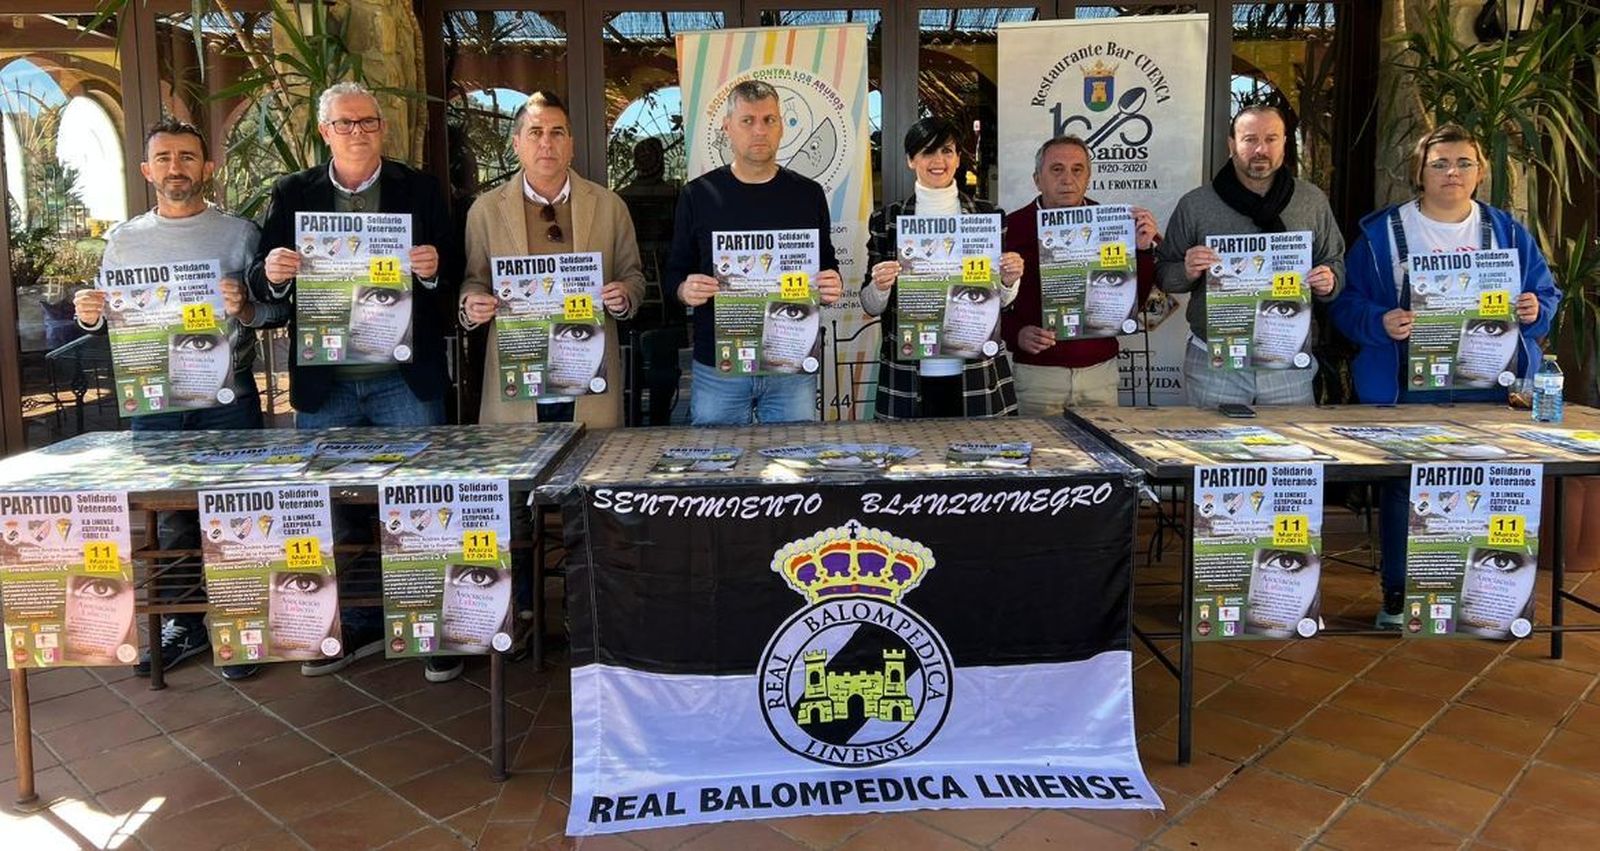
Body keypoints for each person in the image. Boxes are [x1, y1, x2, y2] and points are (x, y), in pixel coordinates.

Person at [247, 81, 461, 682]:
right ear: (325, 132)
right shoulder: (293, 193)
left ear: (382, 128)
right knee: (332, 511)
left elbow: (454, 268)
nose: (358, 131)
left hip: (403, 379)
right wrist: (275, 272)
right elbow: (261, 281)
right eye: (345, 123)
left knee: (423, 501)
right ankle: (356, 623)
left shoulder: (420, 189)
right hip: (327, 383)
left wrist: (433, 269)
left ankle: (430, 625)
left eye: (367, 121)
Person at [74, 118, 280, 682]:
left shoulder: (241, 234)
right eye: (164, 158)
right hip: (156, 403)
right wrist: (90, 314)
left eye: (187, 157)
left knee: (239, 514)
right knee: (170, 522)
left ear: (207, 167)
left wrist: (244, 307)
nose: (175, 168)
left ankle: (241, 628)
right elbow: (111, 320)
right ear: (147, 170)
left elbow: (274, 310)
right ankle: (183, 626)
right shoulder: (123, 240)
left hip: (228, 396)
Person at [1330, 123, 1559, 628]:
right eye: (1439, 164)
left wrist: (1533, 310)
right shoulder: (1383, 233)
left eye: (1463, 163)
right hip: (1408, 386)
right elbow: (1345, 304)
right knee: (1405, 486)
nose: (1452, 173)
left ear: (1480, 172)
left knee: (1495, 484)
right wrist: (1379, 321)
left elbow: (1546, 295)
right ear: (1420, 171)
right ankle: (1399, 596)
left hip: (1492, 385)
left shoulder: (1507, 232)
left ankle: (1490, 598)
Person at [459, 91, 645, 427]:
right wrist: (472, 303)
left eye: (557, 132)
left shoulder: (610, 206)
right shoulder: (485, 211)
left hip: (589, 384)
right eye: (535, 132)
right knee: (521, 462)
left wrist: (624, 296)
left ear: (571, 144)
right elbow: (475, 280)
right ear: (517, 144)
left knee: (593, 461)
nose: (546, 143)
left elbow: (633, 277)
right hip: (518, 384)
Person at [666, 79, 845, 425]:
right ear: (727, 127)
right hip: (720, 364)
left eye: (769, 120)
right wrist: (684, 289)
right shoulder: (698, 195)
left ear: (781, 127)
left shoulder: (808, 194)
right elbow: (675, 272)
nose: (759, 130)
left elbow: (826, 264)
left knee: (794, 455)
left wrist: (831, 284)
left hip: (790, 362)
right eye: (747, 120)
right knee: (717, 457)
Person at [1154, 102, 1345, 407]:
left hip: (1288, 361)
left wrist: (1329, 281)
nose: (1261, 150)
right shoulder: (1196, 205)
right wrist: (1187, 270)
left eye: (1271, 139)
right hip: (1216, 362)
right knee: (1214, 440)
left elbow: (1334, 261)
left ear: (1284, 143)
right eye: (1250, 139)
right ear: (1232, 144)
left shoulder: (1311, 201)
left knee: (1291, 440)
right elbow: (1164, 273)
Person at [862, 117, 1025, 419]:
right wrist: (880, 286)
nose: (938, 161)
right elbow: (870, 305)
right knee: (912, 451)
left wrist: (1009, 281)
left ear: (958, 158)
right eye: (927, 152)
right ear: (911, 160)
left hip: (976, 372)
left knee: (980, 450)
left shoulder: (988, 216)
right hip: (908, 375)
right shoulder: (887, 220)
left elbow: (1002, 302)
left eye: (947, 151)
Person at [1000, 135, 1161, 415]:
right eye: (1057, 169)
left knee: (1101, 445)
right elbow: (989, 301)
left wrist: (1143, 250)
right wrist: (1016, 333)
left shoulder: (1113, 224)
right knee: (1040, 445)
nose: (1067, 179)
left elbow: (1136, 299)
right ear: (1037, 179)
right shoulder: (1011, 228)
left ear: (1088, 177)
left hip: (1100, 372)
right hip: (1038, 376)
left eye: (1077, 170)